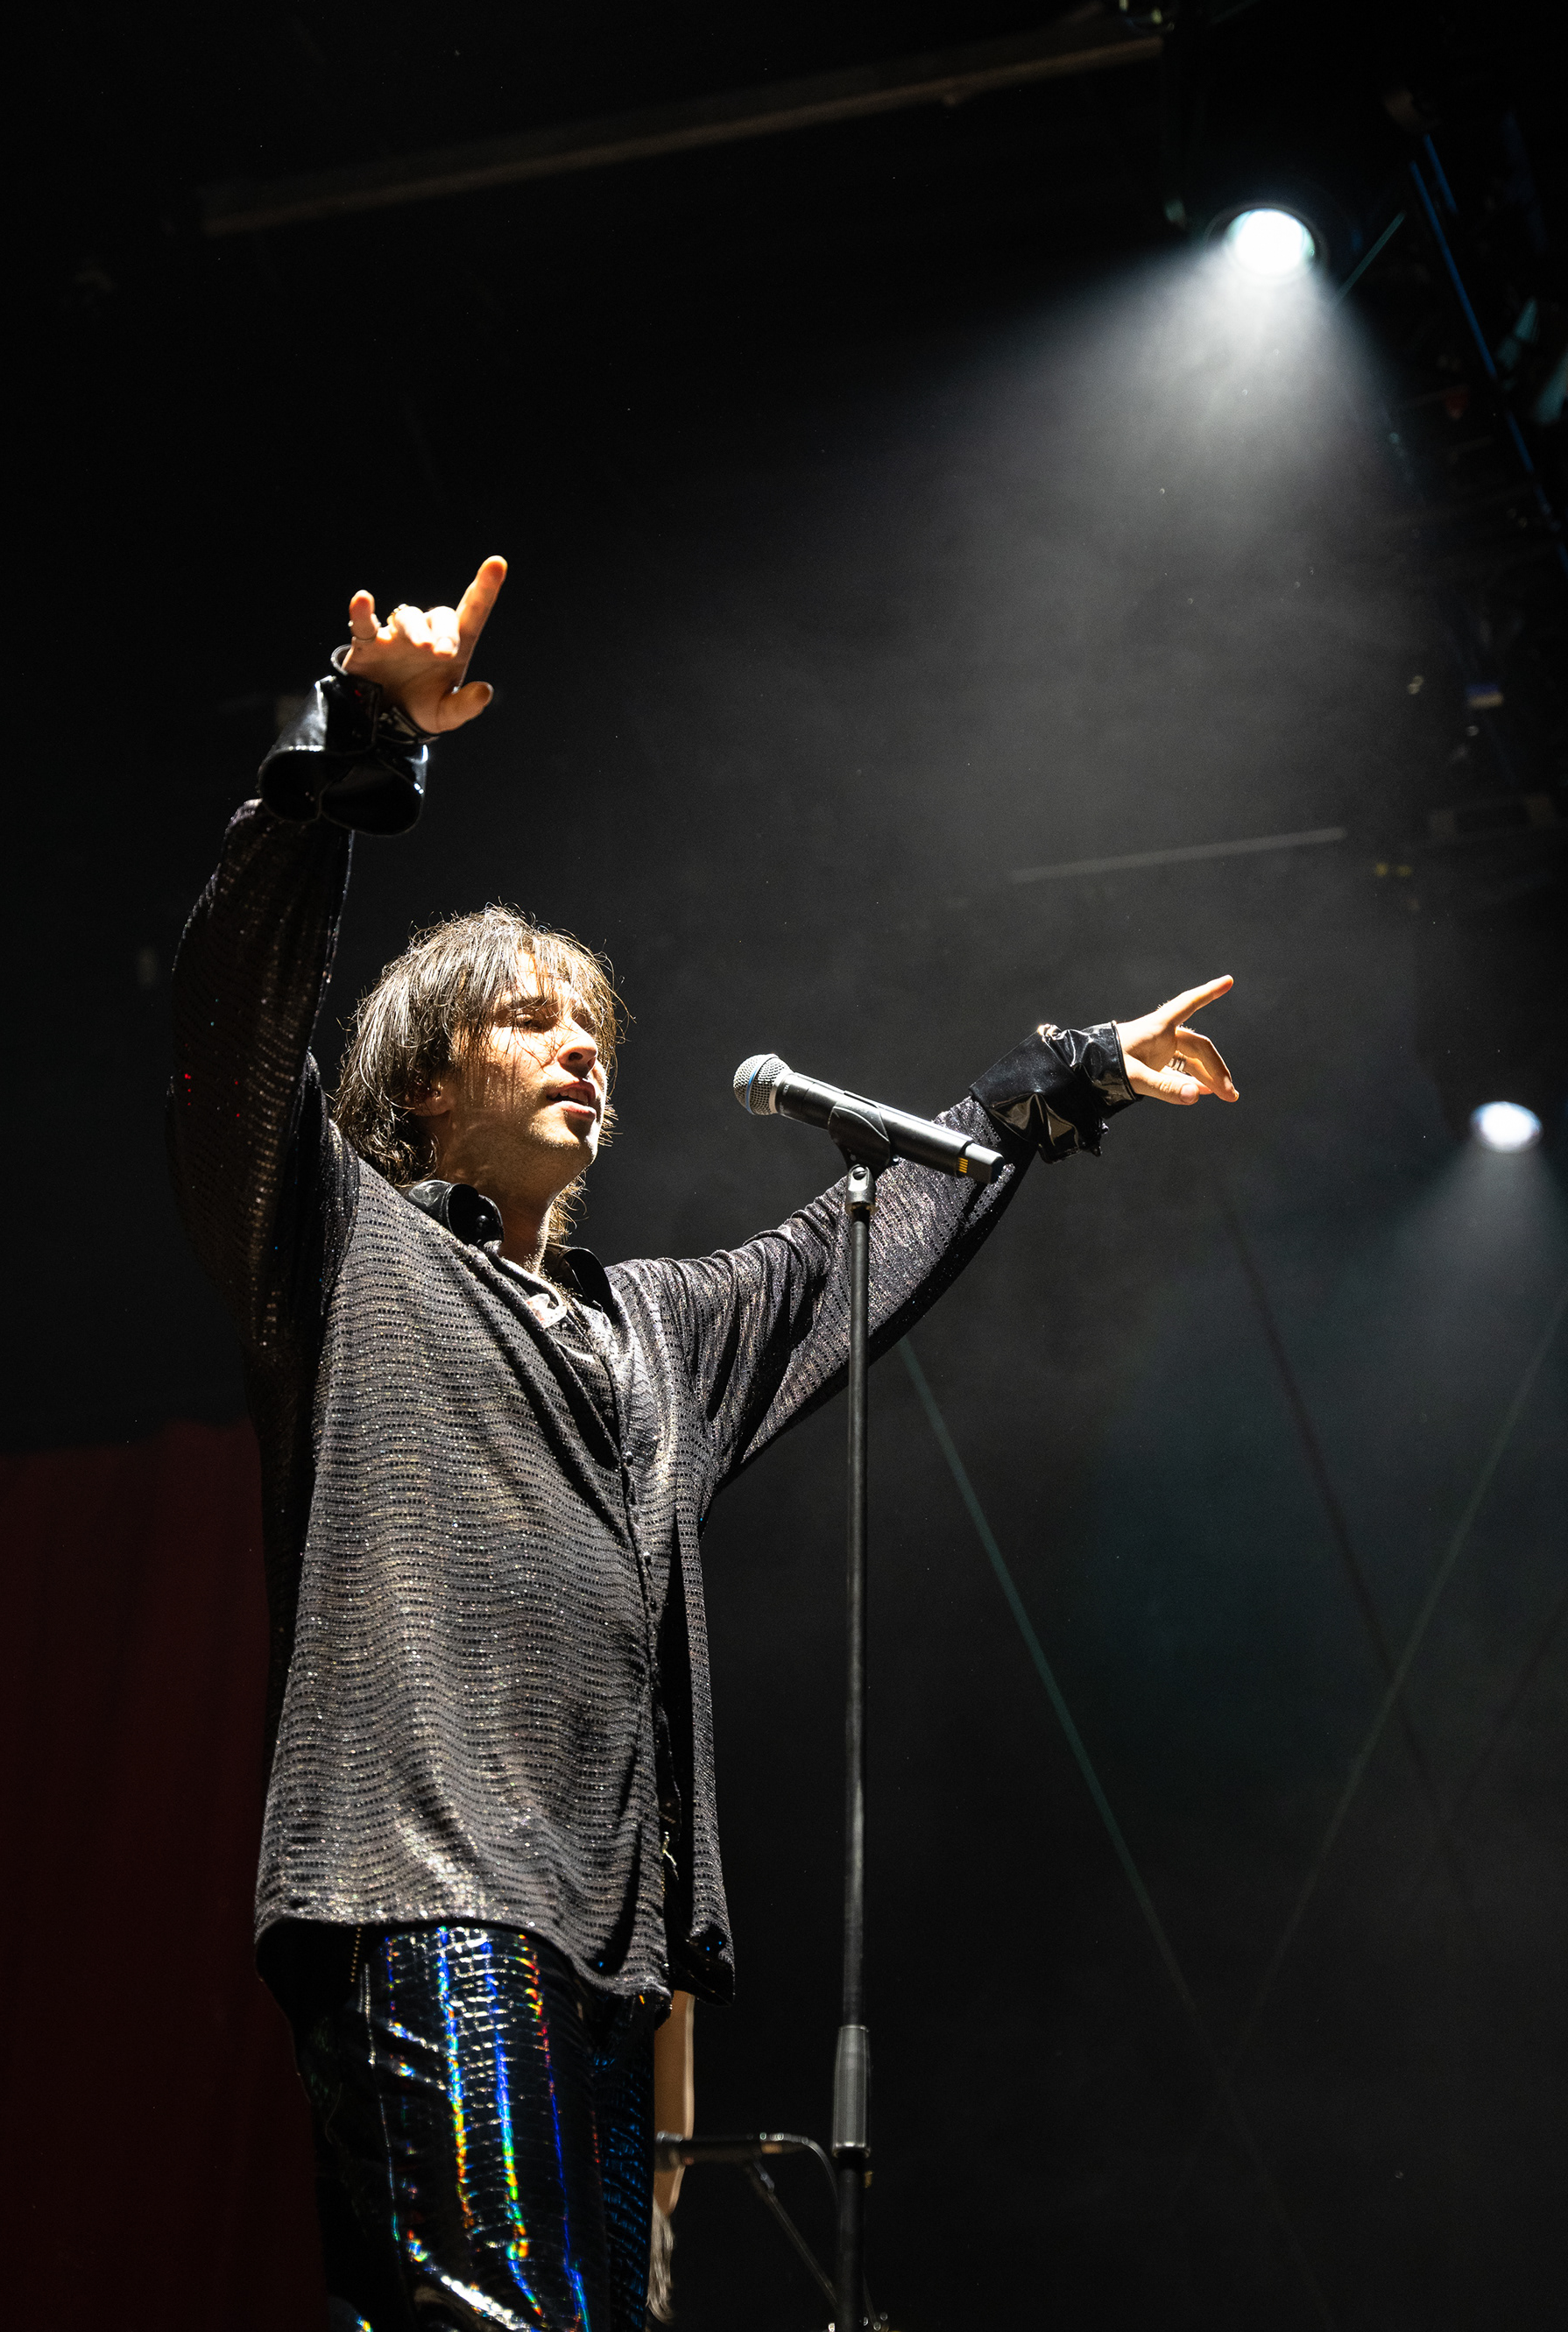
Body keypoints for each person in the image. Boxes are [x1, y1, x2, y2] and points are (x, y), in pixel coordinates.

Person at [168, 557, 1237, 2332]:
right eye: (529, 1019)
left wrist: (1067, 1079)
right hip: (424, 1890)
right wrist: (354, 739)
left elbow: (851, 1250)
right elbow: (231, 1034)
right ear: (425, 1083)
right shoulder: (343, 1252)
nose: (580, 1049)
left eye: (594, 1027)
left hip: (606, 1947)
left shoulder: (653, 1329)